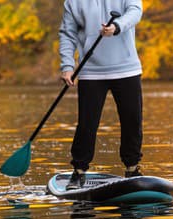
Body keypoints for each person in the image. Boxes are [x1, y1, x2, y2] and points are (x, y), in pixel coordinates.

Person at [59, 0, 143, 190]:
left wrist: (117, 26)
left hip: (127, 68)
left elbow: (135, 11)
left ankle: (132, 168)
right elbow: (67, 33)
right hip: (91, 71)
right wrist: (67, 66)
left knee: (132, 121)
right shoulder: (73, 2)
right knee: (87, 124)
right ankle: (79, 171)